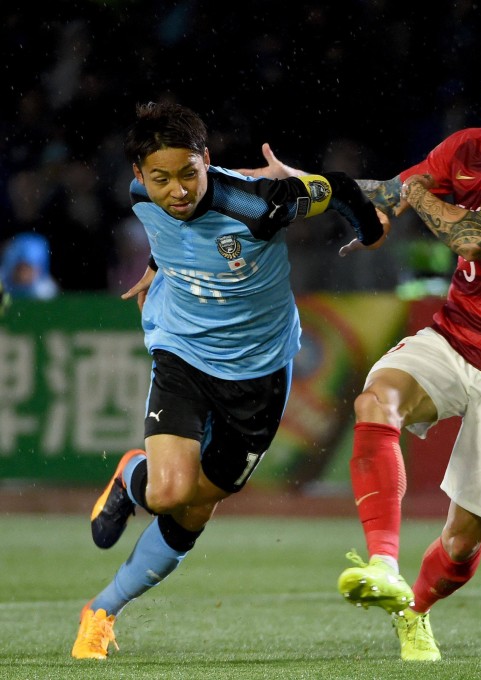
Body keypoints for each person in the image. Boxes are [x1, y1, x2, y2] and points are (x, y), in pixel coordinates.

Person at [244, 29, 481, 661]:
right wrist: (305, 186)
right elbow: (390, 195)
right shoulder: (463, 149)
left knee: (460, 540)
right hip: (456, 336)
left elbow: (474, 238)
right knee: (376, 401)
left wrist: (421, 196)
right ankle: (384, 564)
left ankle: (414, 611)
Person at [71, 101, 388, 660]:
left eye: (189, 174)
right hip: (183, 353)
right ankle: (107, 592)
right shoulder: (140, 195)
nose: (177, 191)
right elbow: (169, 237)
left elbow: (338, 187)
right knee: (170, 490)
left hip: (260, 373)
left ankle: (103, 597)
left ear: (207, 161)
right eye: (161, 178)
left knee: (195, 506)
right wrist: (154, 269)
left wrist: (370, 229)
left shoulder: (258, 205)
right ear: (139, 176)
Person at [0, 232, 60, 300]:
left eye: (29, 268)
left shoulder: (47, 292)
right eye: (21, 268)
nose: (24, 274)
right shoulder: (2, 282)